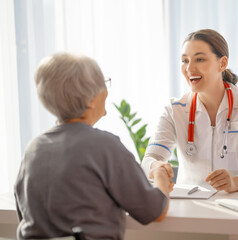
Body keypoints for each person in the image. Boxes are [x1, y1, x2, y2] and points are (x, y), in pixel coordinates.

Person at [14, 53, 173, 240]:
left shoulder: (34, 148)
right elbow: (154, 211)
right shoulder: (105, 146)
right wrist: (161, 178)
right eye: (103, 83)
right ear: (90, 99)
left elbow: (24, 211)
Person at [142, 29, 238, 193]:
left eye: (199, 59)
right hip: (192, 206)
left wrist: (237, 182)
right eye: (184, 61)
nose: (189, 68)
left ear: (222, 63)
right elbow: (150, 159)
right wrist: (157, 166)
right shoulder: (174, 110)